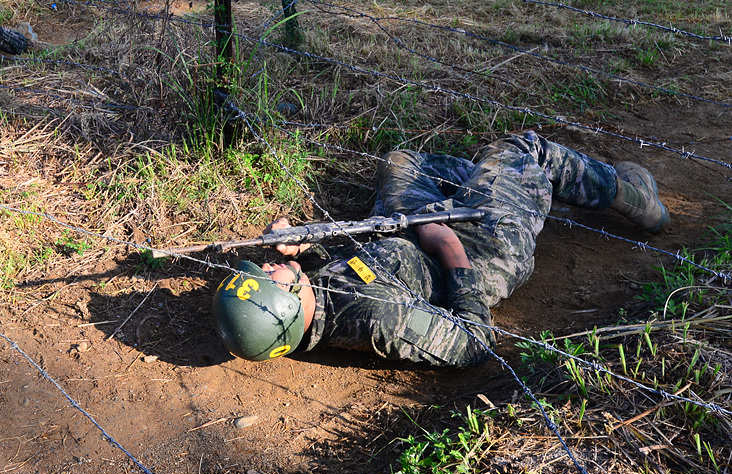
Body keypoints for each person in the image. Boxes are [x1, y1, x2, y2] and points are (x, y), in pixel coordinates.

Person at [211, 131, 669, 366]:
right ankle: (636, 199)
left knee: (401, 162)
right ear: (286, 306)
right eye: (268, 274)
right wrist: (449, 250)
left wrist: (303, 243)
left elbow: (352, 264)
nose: (268, 265)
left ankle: (489, 183)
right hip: (481, 247)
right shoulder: (381, 321)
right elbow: (473, 345)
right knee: (524, 149)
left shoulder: (316, 299)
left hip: (415, 226)